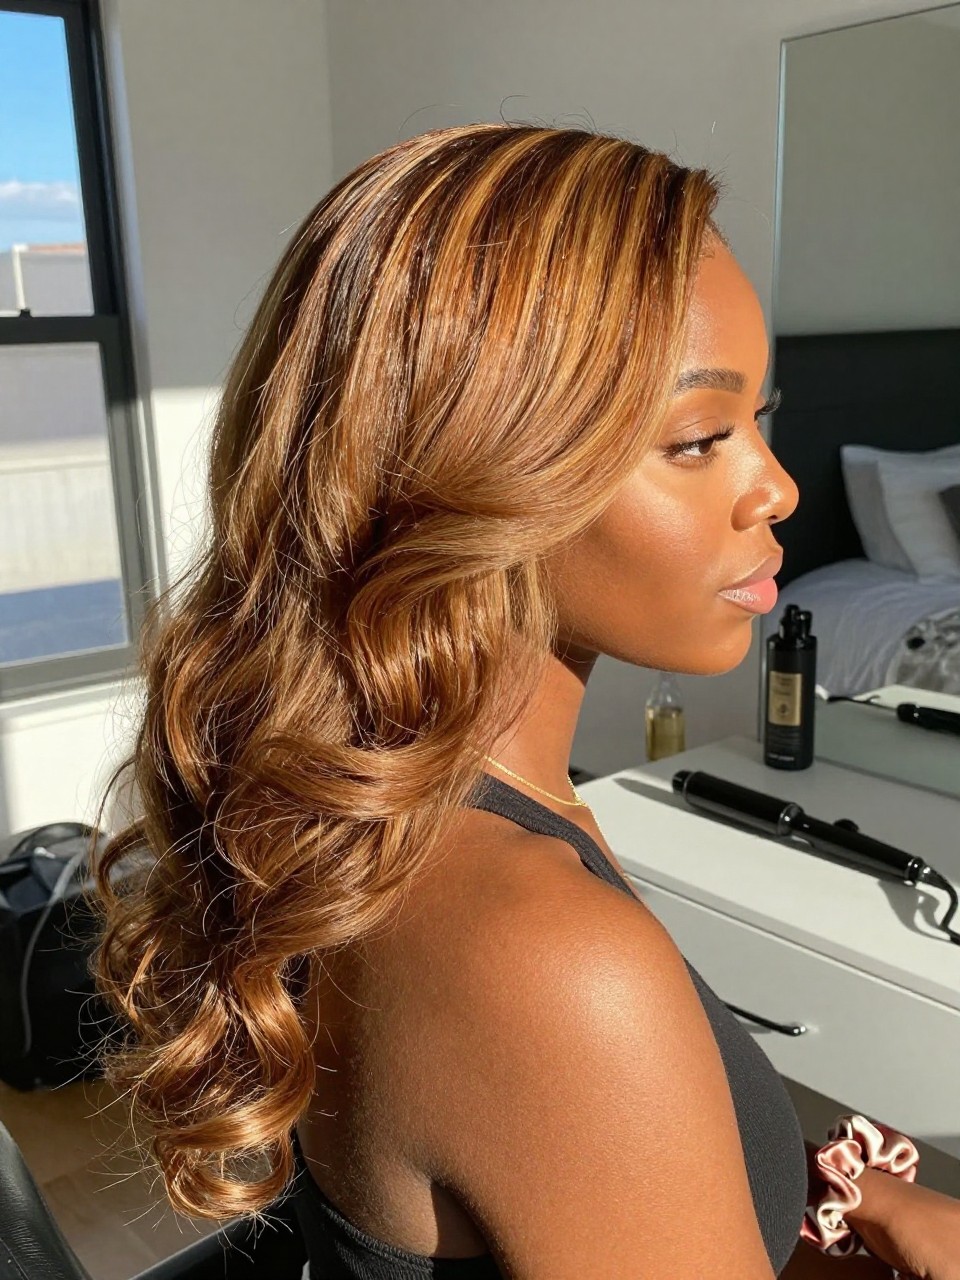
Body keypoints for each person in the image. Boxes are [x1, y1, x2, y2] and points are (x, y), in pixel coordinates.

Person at [91, 122, 960, 1279]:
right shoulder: (542, 953)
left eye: (764, 415)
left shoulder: (407, 814)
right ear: (477, 468)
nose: (778, 484)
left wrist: (817, 1201)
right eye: (700, 437)